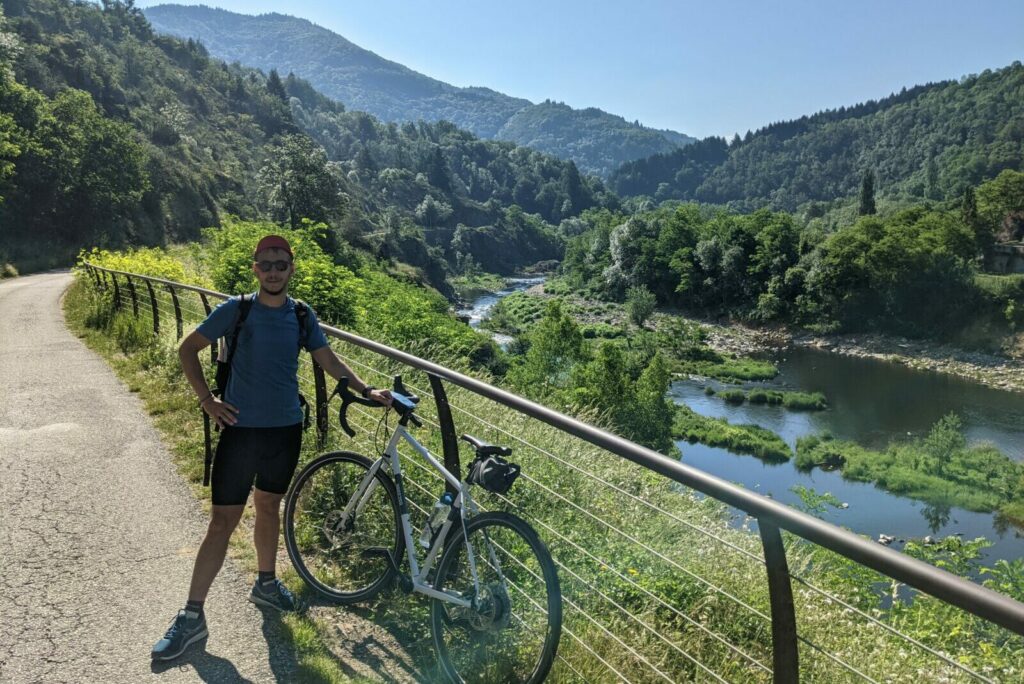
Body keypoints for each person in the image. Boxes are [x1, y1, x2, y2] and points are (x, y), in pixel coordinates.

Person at [151, 234, 391, 661]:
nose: (274, 271)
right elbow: (188, 349)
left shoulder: (301, 315)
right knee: (222, 524)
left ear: (291, 269)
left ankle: (265, 583)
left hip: (285, 430)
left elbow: (327, 358)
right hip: (241, 431)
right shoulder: (237, 310)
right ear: (255, 268)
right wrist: (208, 401)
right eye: (267, 264)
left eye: (281, 264)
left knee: (269, 508)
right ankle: (191, 617)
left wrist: (366, 388)